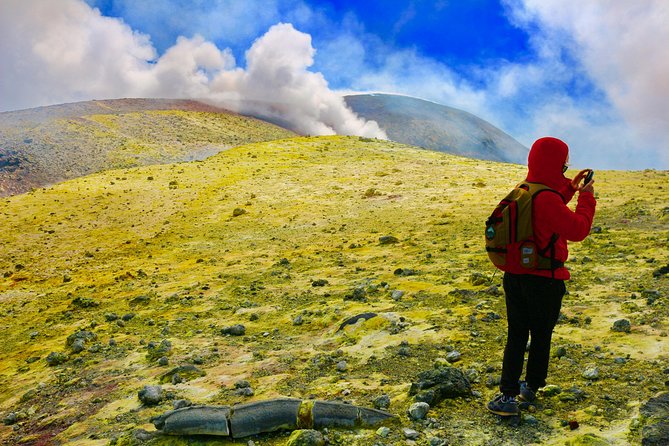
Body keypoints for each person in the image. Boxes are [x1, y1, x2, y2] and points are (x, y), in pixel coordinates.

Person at [487, 136, 597, 416]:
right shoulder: (547, 199)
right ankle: (531, 387)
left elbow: (547, 202)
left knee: (516, 335)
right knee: (541, 335)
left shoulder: (523, 189)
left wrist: (570, 188)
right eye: (563, 166)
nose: (564, 169)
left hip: (514, 276)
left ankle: (507, 397)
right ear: (557, 164)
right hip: (545, 280)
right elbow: (577, 229)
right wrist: (586, 198)